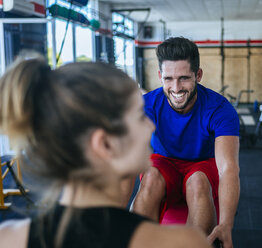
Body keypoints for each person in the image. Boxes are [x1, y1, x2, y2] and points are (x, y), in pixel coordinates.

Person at [0, 58, 211, 248]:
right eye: (139, 116)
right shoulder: (182, 242)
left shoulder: (8, 238)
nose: (150, 126)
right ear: (105, 144)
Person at [131, 37, 240, 248]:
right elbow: (130, 161)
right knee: (151, 177)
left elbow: (228, 168)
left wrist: (226, 224)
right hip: (164, 163)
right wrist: (118, 218)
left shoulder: (220, 109)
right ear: (160, 76)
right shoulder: (148, 105)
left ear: (198, 75)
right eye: (169, 78)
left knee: (198, 182)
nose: (176, 88)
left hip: (202, 166)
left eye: (184, 78)